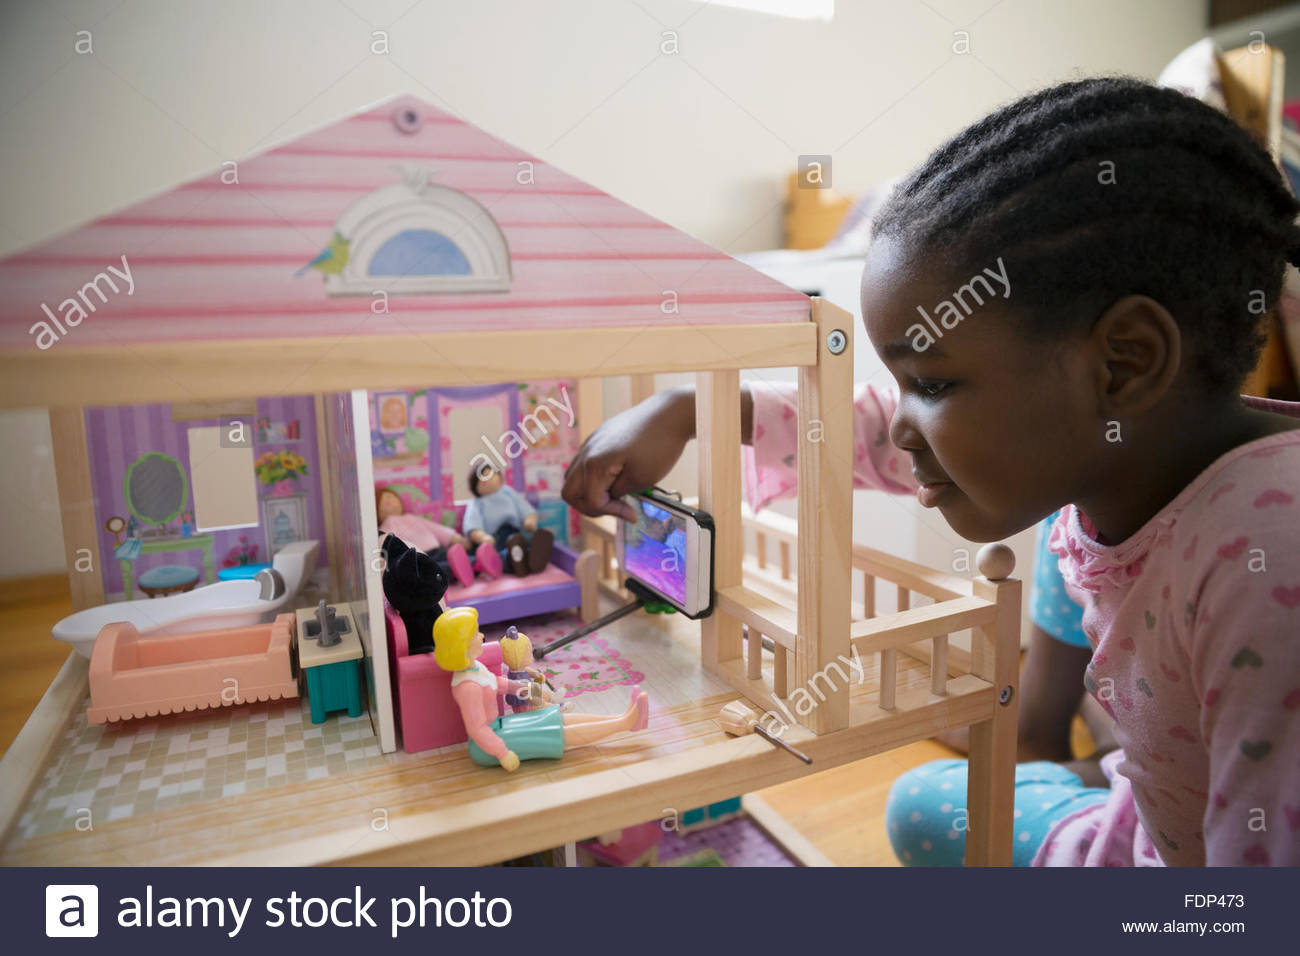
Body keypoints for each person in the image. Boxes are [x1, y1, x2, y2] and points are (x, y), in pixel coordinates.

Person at [560, 78, 1300, 866]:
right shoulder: (1115, 455)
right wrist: (688, 408)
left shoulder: (1268, 565)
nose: (902, 421)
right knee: (926, 803)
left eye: (935, 383)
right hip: (1147, 823)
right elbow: (878, 428)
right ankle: (1101, 771)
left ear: (1126, 361)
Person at [434, 607, 649, 771]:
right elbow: (477, 729)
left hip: (500, 727)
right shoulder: (467, 686)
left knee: (553, 715)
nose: (481, 636)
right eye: (475, 635)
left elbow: (499, 684)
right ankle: (625, 723)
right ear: (461, 645)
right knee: (553, 730)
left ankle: (623, 718)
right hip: (489, 744)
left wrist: (527, 689)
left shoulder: (476, 668)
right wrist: (502, 753)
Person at [463, 465, 554, 576]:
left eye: (489, 475)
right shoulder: (476, 503)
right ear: (474, 484)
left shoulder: (508, 492)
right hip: (495, 538)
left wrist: (529, 521)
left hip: (515, 534)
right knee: (500, 555)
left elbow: (524, 508)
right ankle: (515, 561)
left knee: (523, 544)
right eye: (481, 477)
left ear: (499, 478)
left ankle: (534, 557)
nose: (485, 479)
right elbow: (472, 524)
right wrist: (482, 536)